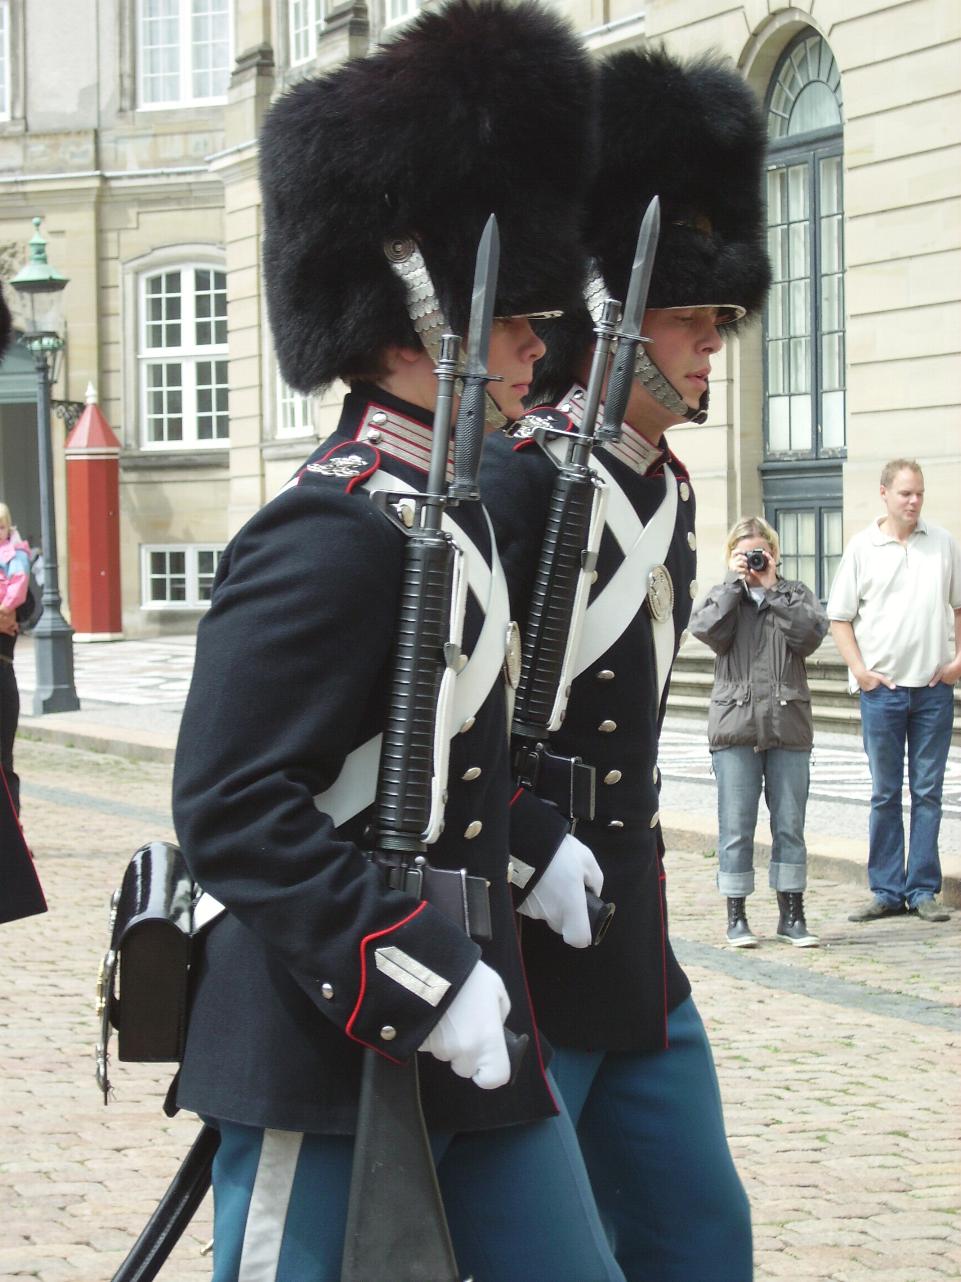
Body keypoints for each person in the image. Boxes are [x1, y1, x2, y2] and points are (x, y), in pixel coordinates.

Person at [171, 5, 626, 1280]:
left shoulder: (444, 507)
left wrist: (527, 840)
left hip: (467, 1011)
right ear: (405, 319)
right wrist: (416, 970)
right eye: (514, 319)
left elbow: (438, 743)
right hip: (335, 1023)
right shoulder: (328, 529)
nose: (542, 346)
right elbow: (231, 805)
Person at [480, 47, 769, 1282]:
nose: (713, 346)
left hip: (627, 917)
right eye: (691, 320)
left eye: (718, 321)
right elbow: (446, 730)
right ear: (610, 317)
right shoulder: (522, 478)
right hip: (524, 915)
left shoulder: (660, 486)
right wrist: (527, 838)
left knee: (702, 1237)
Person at [828, 458, 960, 924]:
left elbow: (959, 606)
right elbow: (839, 617)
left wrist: (957, 662)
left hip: (931, 692)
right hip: (882, 693)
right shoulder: (863, 547)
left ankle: (923, 889)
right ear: (884, 493)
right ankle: (886, 889)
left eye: (919, 493)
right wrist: (861, 673)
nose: (914, 501)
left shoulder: (942, 543)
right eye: (905, 493)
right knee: (885, 793)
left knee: (927, 792)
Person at [689, 516, 827, 947]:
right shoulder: (723, 597)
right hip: (736, 727)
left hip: (788, 725)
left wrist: (772, 589)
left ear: (773, 552)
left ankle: (792, 915)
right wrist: (735, 585)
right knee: (736, 826)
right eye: (745, 552)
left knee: (790, 824)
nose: (753, 559)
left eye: (760, 551)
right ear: (733, 555)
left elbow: (809, 636)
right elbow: (705, 630)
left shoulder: (795, 594)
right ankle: (737, 916)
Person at [0, 502, 32, 816]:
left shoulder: (14, 559)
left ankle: (13, 835)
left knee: (3, 762)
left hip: (1, 671)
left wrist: (10, 612)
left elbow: (29, 606)